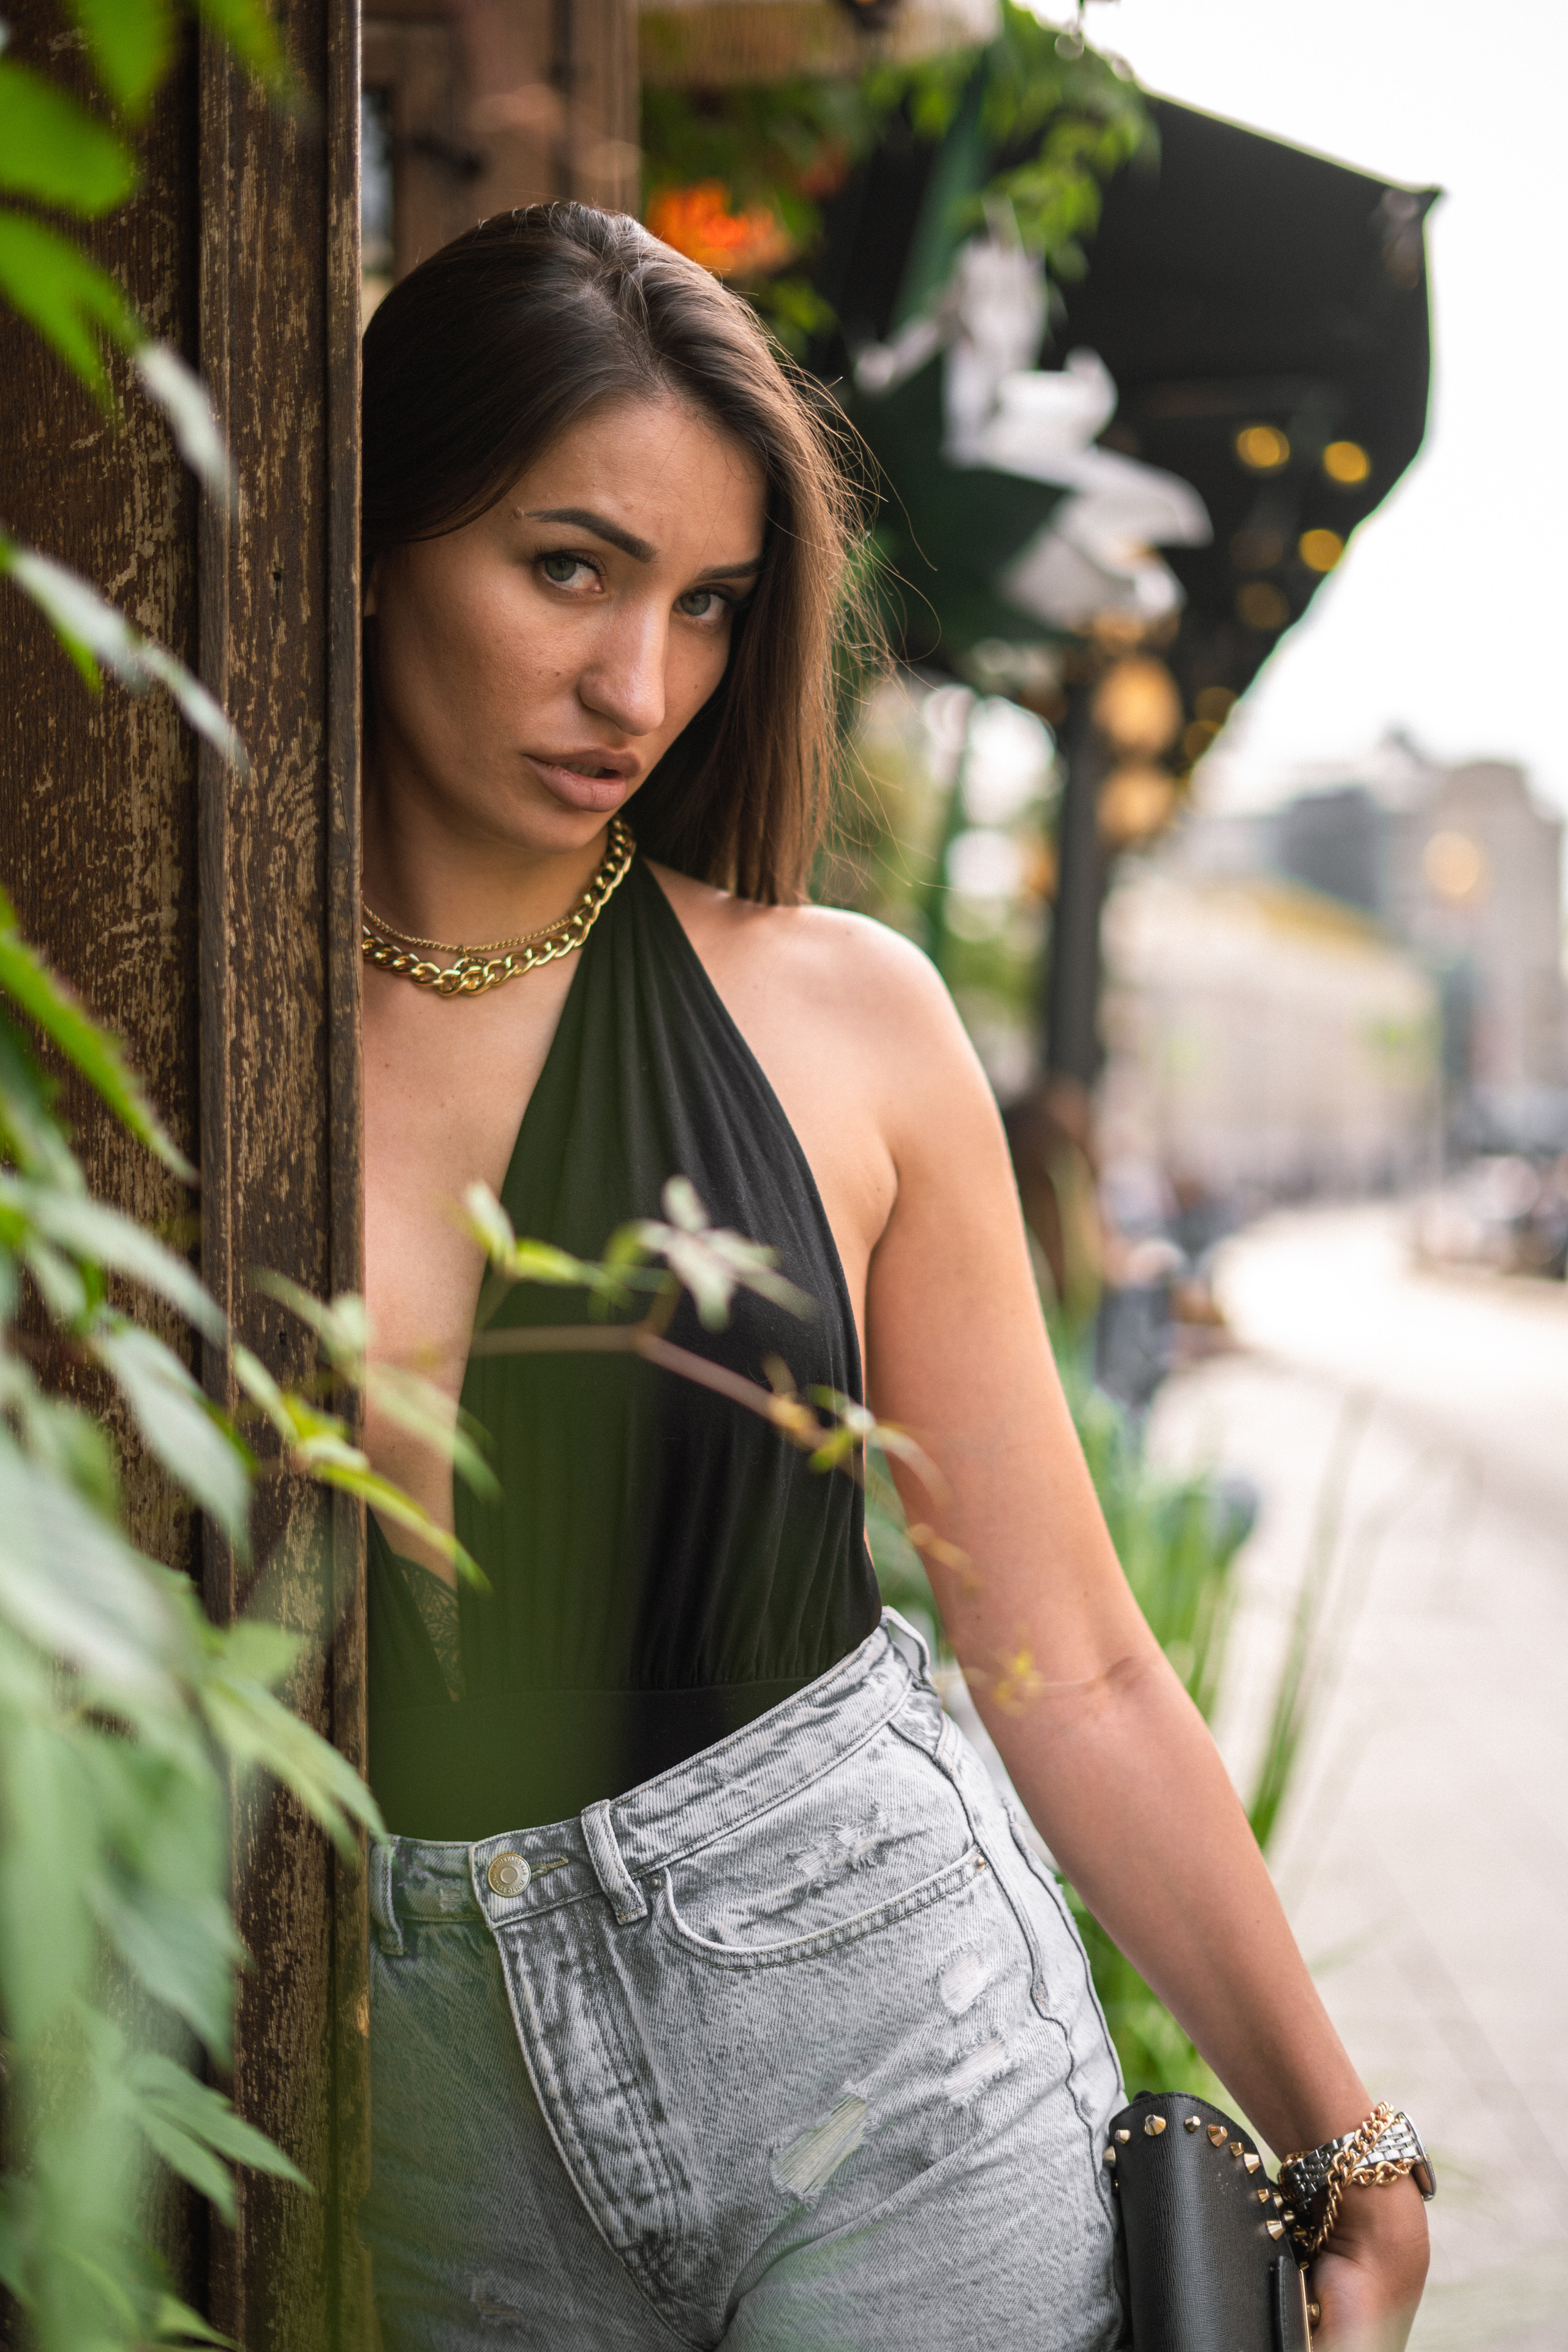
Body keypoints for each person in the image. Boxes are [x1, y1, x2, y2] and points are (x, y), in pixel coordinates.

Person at [355, 203, 1430, 2351]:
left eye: (710, 606)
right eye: (567, 567)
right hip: (422, 2126)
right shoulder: (163, 1048)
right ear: (372, 536)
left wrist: (1346, 2148)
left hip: (888, 2063)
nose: (635, 686)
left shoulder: (844, 1021)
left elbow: (1069, 1651)